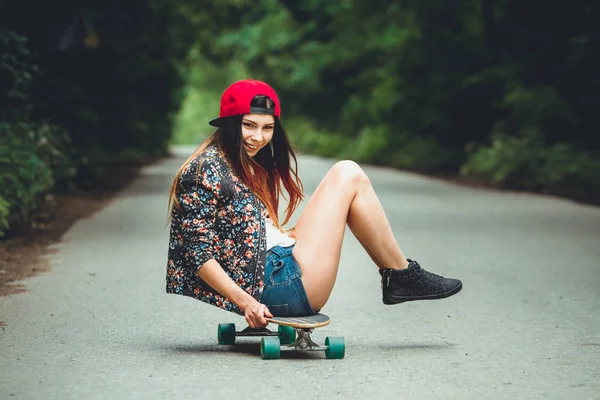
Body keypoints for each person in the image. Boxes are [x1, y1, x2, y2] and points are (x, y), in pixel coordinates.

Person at [166, 79, 462, 329]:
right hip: (278, 285)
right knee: (348, 174)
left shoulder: (239, 164)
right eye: (249, 126)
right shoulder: (205, 169)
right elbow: (198, 255)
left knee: (347, 176)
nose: (258, 137)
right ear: (230, 124)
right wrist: (247, 303)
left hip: (277, 269)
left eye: (268, 128)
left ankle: (400, 275)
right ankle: (402, 275)